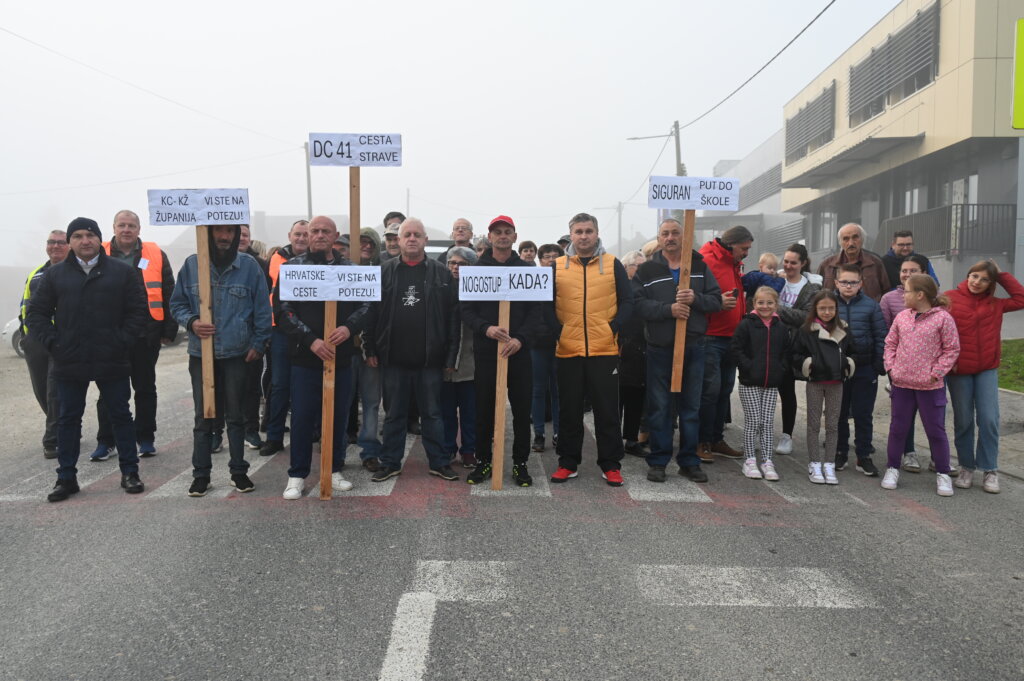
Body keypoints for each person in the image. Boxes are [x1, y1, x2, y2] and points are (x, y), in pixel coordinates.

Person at [26, 217, 149, 502]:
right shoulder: (55, 276)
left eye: (90, 235)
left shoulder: (121, 272)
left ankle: (130, 472)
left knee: (120, 415)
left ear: (99, 239)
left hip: (112, 357)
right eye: (78, 236)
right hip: (69, 359)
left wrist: (122, 341)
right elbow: (37, 314)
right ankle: (66, 478)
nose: (85, 241)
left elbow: (137, 311)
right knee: (68, 420)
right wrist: (55, 344)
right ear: (70, 242)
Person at [349, 217, 460, 482]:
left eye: (417, 235)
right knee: (394, 415)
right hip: (393, 359)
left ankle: (439, 461)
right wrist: (370, 349)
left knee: (432, 414)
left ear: (425, 240)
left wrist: (450, 356)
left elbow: (453, 318)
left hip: (429, 359)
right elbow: (370, 314)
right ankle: (390, 462)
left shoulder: (442, 273)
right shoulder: (384, 272)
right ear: (398, 240)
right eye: (406, 234)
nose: (412, 239)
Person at [170, 224, 272, 497]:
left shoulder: (249, 267)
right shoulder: (192, 265)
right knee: (204, 417)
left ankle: (238, 472)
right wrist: (192, 322)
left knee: (236, 417)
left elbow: (263, 307)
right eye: (218, 231)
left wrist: (258, 343)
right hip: (201, 355)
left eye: (230, 231)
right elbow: (176, 304)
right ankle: (201, 475)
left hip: (238, 355)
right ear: (208, 233)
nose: (224, 237)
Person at [275, 216, 366, 499]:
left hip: (341, 358)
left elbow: (368, 305)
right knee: (302, 418)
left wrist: (348, 327)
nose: (319, 235)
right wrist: (310, 340)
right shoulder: (292, 269)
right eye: (314, 231)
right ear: (307, 235)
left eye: (325, 231)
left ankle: (333, 469)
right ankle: (297, 475)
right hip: (305, 358)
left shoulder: (351, 269)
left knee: (338, 416)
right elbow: (283, 310)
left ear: (335, 235)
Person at [633, 218, 722, 483]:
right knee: (660, 407)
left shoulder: (699, 267)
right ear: (659, 239)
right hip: (660, 348)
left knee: (691, 407)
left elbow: (716, 301)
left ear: (683, 237)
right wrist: (667, 310)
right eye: (665, 234)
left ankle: (689, 461)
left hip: (694, 346)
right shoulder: (647, 270)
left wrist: (696, 299)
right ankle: (659, 460)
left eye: (675, 233)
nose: (670, 237)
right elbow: (637, 304)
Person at [547, 213, 633, 486]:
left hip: (604, 350)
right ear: (570, 235)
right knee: (569, 410)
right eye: (578, 231)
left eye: (588, 231)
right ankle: (567, 462)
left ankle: (610, 464)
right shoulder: (557, 266)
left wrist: (613, 328)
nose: (583, 236)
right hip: (568, 350)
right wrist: (558, 332)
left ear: (597, 234)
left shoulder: (612, 264)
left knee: (606, 411)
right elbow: (545, 306)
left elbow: (628, 300)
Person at [88, 210, 177, 461]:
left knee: (145, 388)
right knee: (108, 390)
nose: (126, 229)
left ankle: (145, 438)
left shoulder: (155, 254)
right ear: (113, 228)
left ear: (139, 229)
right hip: (108, 335)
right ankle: (106, 441)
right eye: (122, 225)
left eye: (131, 225)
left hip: (145, 334)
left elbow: (169, 290)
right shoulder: (97, 252)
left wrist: (169, 329)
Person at [461, 216, 540, 487]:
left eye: (508, 232)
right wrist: (486, 328)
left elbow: (537, 312)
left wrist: (520, 338)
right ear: (490, 236)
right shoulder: (476, 269)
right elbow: (466, 310)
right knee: (484, 410)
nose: (503, 236)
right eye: (498, 232)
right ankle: (484, 461)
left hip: (519, 352)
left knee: (521, 411)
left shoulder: (528, 270)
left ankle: (520, 464)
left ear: (515, 237)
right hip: (486, 352)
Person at [945, 260, 1024, 494]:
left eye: (984, 279)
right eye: (974, 276)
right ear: (967, 275)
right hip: (959, 371)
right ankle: (967, 466)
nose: (977, 282)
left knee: (989, 419)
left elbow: (1021, 298)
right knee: (964, 420)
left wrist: (1001, 274)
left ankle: (990, 469)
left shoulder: (996, 304)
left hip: (986, 369)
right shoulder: (949, 298)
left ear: (992, 283)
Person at [882, 274, 960, 496]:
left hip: (930, 387)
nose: (903, 295)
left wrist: (936, 373)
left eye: (906, 291)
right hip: (902, 385)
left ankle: (943, 474)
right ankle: (892, 468)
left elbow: (952, 349)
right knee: (898, 429)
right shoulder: (902, 318)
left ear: (920, 294)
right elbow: (890, 344)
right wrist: (891, 369)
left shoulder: (943, 319)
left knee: (936, 431)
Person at [698, 225, 753, 462]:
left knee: (724, 391)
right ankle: (702, 442)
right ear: (731, 244)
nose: (747, 253)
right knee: (709, 392)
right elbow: (693, 295)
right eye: (744, 248)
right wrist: (716, 303)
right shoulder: (706, 260)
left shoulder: (733, 263)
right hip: (710, 336)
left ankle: (716, 438)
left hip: (732, 337)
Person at [791, 291, 855, 484]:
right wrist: (808, 364)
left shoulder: (843, 328)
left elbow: (855, 352)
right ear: (815, 309)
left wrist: (848, 363)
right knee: (813, 425)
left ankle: (829, 463)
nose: (827, 312)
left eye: (831, 308)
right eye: (822, 308)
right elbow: (794, 354)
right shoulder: (806, 330)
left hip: (837, 383)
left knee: (833, 425)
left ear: (836, 309)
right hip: (816, 382)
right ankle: (814, 463)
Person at [729, 287, 790, 481]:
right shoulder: (746, 324)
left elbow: (786, 352)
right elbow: (736, 348)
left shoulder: (781, 327)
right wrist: (748, 367)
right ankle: (749, 459)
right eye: (761, 302)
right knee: (754, 421)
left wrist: (780, 369)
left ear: (776, 305)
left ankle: (767, 460)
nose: (765, 306)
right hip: (749, 382)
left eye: (769, 303)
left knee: (767, 422)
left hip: (771, 383)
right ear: (754, 304)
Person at [260, 219, 309, 457]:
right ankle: (274, 436)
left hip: (308, 331)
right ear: (290, 235)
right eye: (298, 234)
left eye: (305, 235)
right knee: (279, 385)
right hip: (279, 330)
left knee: (307, 384)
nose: (301, 238)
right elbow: (265, 295)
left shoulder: (318, 260)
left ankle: (311, 433)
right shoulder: (275, 259)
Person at [19, 229, 69, 459]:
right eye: (51, 242)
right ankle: (64, 427)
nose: (55, 246)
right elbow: (25, 306)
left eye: (60, 242)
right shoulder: (35, 274)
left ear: (68, 246)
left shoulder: (73, 273)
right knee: (41, 390)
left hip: (61, 341)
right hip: (35, 342)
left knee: (54, 391)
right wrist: (25, 335)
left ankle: (53, 439)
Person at [833, 263, 885, 477]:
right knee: (839, 413)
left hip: (864, 369)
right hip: (837, 369)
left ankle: (863, 455)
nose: (848, 286)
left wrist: (878, 365)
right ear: (836, 282)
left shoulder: (871, 306)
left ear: (860, 284)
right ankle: (840, 452)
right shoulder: (828, 304)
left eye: (853, 282)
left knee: (864, 414)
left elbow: (881, 336)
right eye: (844, 281)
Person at [879, 254, 930, 472]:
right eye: (904, 270)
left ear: (925, 274)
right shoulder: (889, 299)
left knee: (931, 415)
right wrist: (891, 367)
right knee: (904, 414)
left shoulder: (936, 301)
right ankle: (908, 452)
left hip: (931, 372)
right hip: (901, 368)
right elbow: (886, 334)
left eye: (913, 270)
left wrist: (940, 369)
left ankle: (939, 456)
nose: (907, 274)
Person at [773, 244, 822, 455]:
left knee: (787, 392)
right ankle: (758, 431)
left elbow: (806, 317)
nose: (788, 266)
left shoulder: (812, 288)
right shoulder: (775, 281)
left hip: (793, 347)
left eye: (793, 262)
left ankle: (787, 435)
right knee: (761, 390)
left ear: (803, 263)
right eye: (786, 261)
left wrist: (776, 309)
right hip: (770, 343)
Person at [350, 227, 385, 471]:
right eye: (361, 242)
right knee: (342, 401)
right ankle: (336, 448)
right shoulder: (340, 271)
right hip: (344, 348)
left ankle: (370, 450)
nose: (366, 246)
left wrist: (371, 348)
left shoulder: (383, 272)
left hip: (371, 348)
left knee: (372, 402)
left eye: (370, 243)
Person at [441, 247, 477, 469]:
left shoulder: (479, 291)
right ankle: (447, 449)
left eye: (462, 264)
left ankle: (469, 451)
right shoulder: (439, 289)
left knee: (470, 412)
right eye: (452, 263)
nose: (456, 267)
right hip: (444, 362)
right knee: (446, 411)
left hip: (470, 360)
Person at [237, 223, 270, 451]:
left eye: (245, 234)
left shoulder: (260, 265)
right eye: (236, 234)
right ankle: (216, 432)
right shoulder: (207, 263)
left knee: (251, 388)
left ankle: (251, 430)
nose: (240, 238)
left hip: (251, 339)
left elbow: (264, 306)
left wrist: (260, 340)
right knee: (218, 389)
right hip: (220, 339)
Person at [531, 243, 564, 453]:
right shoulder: (533, 282)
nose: (550, 260)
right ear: (540, 260)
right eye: (546, 257)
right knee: (538, 390)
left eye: (555, 256)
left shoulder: (566, 281)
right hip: (537, 344)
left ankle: (559, 433)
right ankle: (539, 433)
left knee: (558, 391)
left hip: (561, 342)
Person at [617, 250, 646, 457]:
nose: (640, 269)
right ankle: (614, 440)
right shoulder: (619, 287)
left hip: (642, 348)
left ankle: (632, 439)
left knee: (636, 396)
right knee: (617, 397)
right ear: (626, 268)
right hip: (619, 346)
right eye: (637, 265)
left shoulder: (647, 288)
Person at [818, 223, 890, 301]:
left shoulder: (875, 263)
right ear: (840, 242)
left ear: (862, 239)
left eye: (855, 237)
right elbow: (817, 294)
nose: (851, 243)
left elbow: (886, 293)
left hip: (868, 312)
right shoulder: (826, 266)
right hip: (836, 312)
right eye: (846, 239)